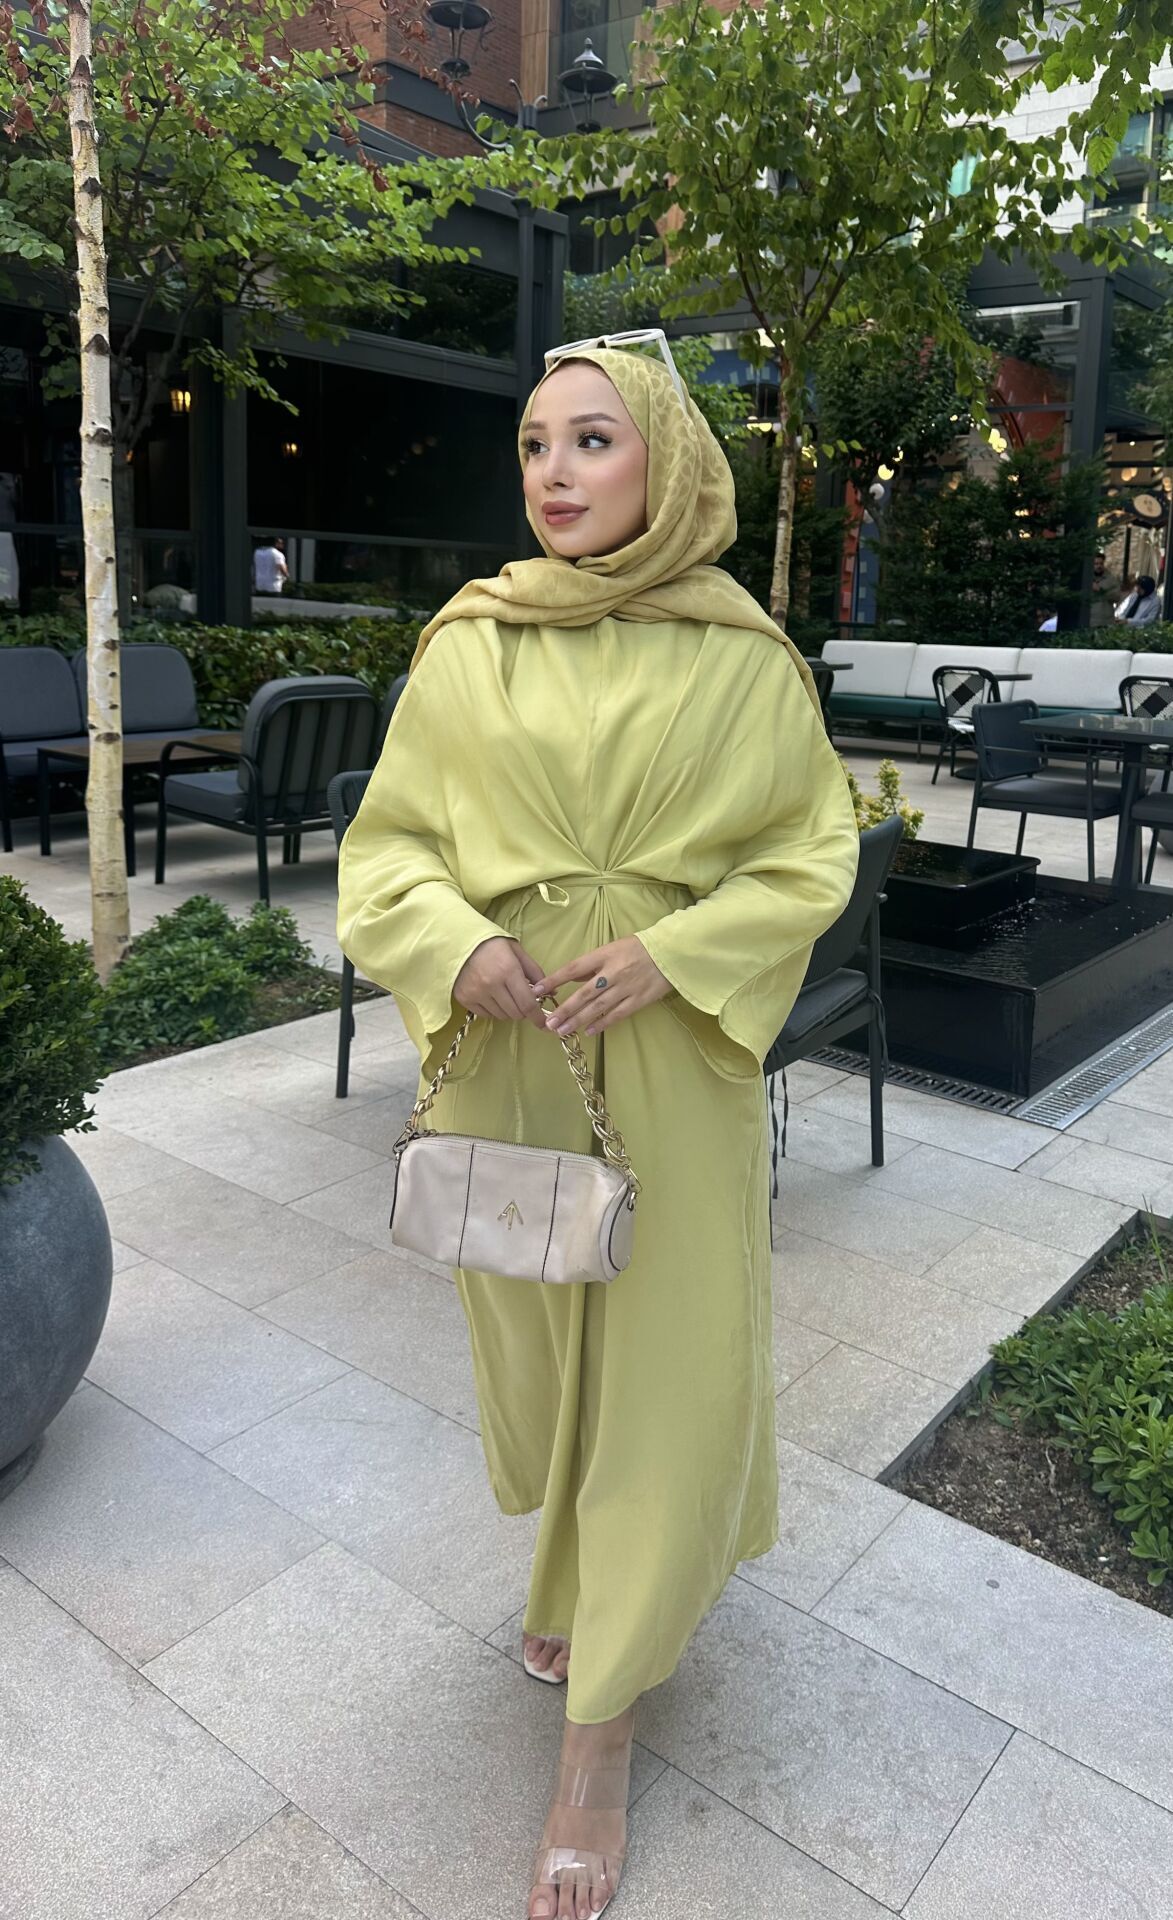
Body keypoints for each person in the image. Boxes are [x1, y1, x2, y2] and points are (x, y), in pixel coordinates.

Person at [336, 336, 859, 1920]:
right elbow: (390, 845)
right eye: (532, 446)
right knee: (547, 1353)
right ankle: (574, 1571)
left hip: (673, 1063)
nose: (552, 474)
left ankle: (599, 1738)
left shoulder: (745, 658)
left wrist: (675, 951)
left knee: (661, 1369)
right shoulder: (469, 644)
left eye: (590, 441)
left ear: (667, 462)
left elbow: (806, 853)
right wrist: (454, 945)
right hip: (511, 1052)